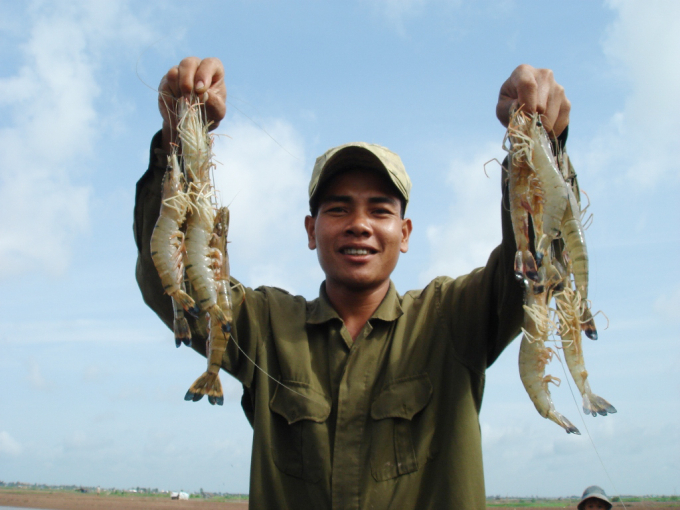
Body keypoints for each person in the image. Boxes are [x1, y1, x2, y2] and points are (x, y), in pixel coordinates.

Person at [134, 57, 571, 509]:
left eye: (380, 210)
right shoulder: (265, 326)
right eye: (338, 208)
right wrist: (177, 140)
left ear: (404, 234)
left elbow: (535, 264)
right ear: (310, 230)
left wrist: (537, 141)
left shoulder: (453, 317)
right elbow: (169, 280)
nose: (359, 224)